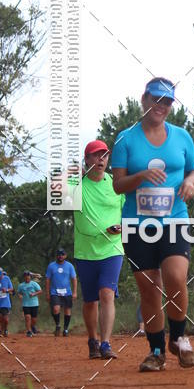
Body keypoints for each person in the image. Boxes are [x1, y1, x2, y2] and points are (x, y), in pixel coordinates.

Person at [112, 77, 194, 372]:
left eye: (167, 102)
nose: (161, 106)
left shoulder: (182, 137)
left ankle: (179, 339)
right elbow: (117, 185)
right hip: (137, 224)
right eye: (156, 99)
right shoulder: (125, 139)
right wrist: (140, 178)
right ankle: (155, 350)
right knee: (150, 288)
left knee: (176, 278)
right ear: (144, 99)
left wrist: (190, 181)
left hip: (174, 218)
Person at [73, 139, 125, 360]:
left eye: (104, 155)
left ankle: (105, 344)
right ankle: (92, 340)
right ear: (87, 160)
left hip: (112, 248)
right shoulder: (76, 185)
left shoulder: (116, 184)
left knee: (107, 294)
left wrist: (124, 226)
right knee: (90, 301)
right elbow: (54, 195)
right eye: (95, 155)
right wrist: (71, 172)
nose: (100, 159)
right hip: (85, 251)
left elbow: (129, 209)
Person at [45, 249, 77, 336]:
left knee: (67, 311)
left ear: (65, 256)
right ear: (57, 256)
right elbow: (47, 280)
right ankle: (58, 325)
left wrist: (74, 292)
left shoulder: (70, 266)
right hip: (55, 292)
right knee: (56, 309)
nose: (61, 256)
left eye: (62, 254)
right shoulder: (51, 266)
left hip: (67, 292)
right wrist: (47, 293)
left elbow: (74, 279)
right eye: (59, 254)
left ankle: (65, 329)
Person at [17, 271, 42, 336]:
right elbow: (19, 292)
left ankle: (32, 327)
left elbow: (40, 291)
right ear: (24, 277)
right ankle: (29, 331)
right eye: (25, 276)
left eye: (28, 276)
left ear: (30, 277)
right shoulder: (21, 285)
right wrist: (20, 295)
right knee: (27, 317)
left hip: (34, 303)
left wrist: (34, 293)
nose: (27, 277)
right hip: (25, 304)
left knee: (34, 319)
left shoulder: (34, 284)